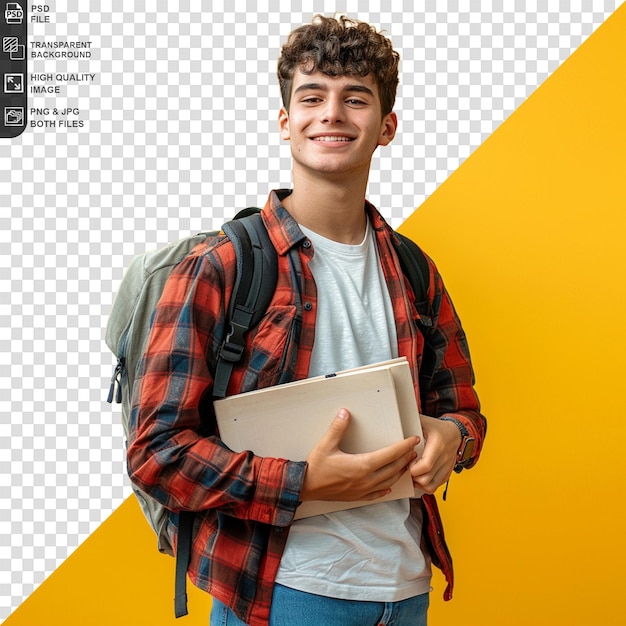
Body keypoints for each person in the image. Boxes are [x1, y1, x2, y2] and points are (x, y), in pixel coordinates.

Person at [127, 14, 486, 626]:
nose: (332, 115)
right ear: (285, 121)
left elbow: (465, 411)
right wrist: (300, 482)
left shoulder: (414, 270)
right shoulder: (220, 268)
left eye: (356, 99)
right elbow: (157, 453)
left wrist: (455, 438)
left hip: (405, 591)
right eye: (312, 97)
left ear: (387, 126)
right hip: (283, 595)